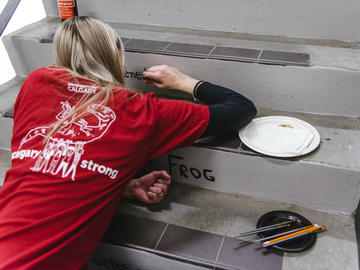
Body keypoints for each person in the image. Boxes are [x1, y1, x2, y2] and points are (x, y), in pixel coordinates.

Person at [0, 16, 256, 269]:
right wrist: (185, 82)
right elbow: (241, 108)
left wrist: (118, 186)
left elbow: (49, 164)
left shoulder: (36, 83)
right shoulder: (138, 112)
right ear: (116, 55)